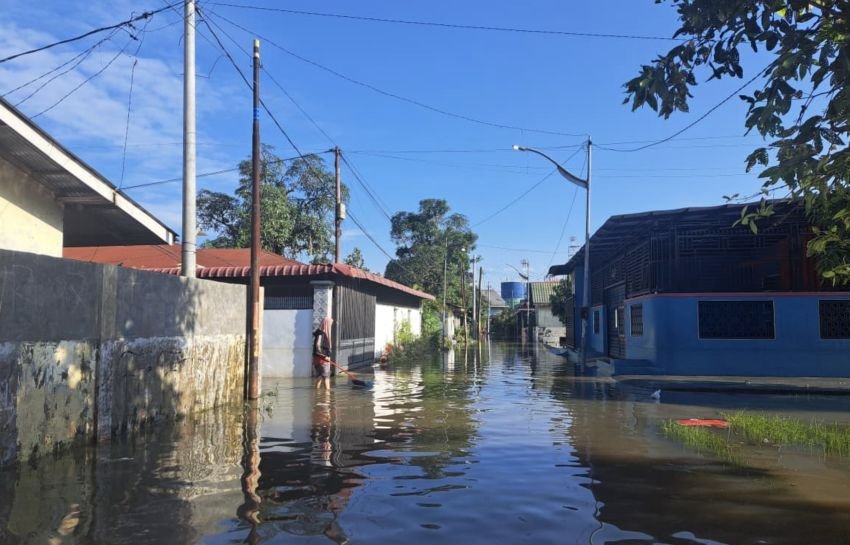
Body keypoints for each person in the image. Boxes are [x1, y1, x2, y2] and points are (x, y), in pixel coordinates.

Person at [312, 317, 333, 390]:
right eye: (330, 324)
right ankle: (327, 395)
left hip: (317, 360)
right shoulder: (321, 334)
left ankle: (316, 394)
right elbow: (318, 346)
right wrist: (325, 356)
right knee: (326, 377)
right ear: (326, 324)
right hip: (322, 360)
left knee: (319, 377)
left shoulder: (319, 333)